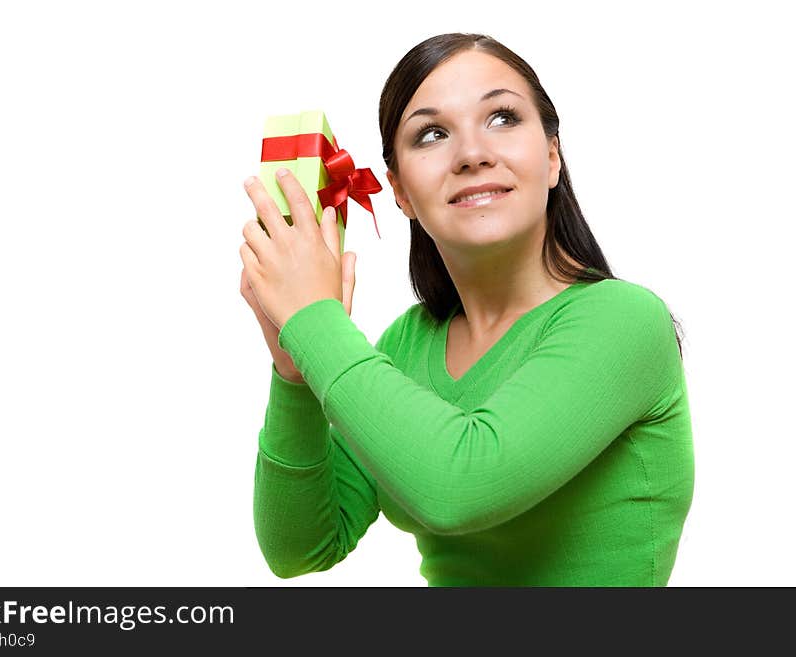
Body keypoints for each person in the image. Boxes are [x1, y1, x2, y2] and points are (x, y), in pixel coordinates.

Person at [238, 32, 694, 586]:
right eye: (432, 134)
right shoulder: (407, 344)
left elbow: (459, 486)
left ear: (552, 157)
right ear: (400, 191)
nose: (473, 154)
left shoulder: (624, 320)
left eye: (502, 118)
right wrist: (294, 371)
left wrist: (313, 321)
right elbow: (300, 546)